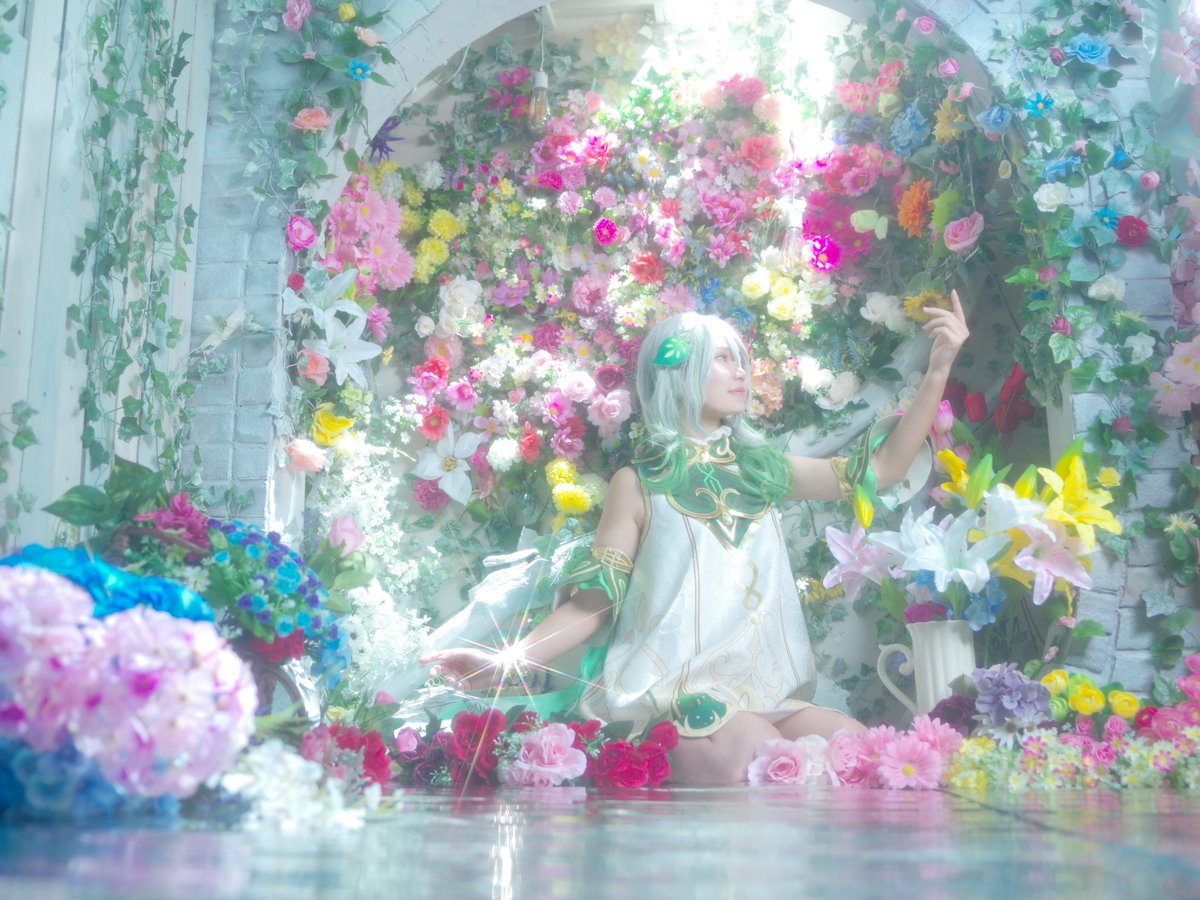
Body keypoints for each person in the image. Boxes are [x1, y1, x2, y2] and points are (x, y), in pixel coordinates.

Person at [423, 292, 969, 786]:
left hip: (769, 696)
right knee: (761, 758)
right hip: (670, 697)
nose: (741, 372)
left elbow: (886, 470)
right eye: (722, 359)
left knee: (864, 751)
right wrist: (506, 661)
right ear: (677, 372)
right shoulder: (637, 484)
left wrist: (938, 370)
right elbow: (592, 607)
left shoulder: (765, 470)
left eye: (741, 359)